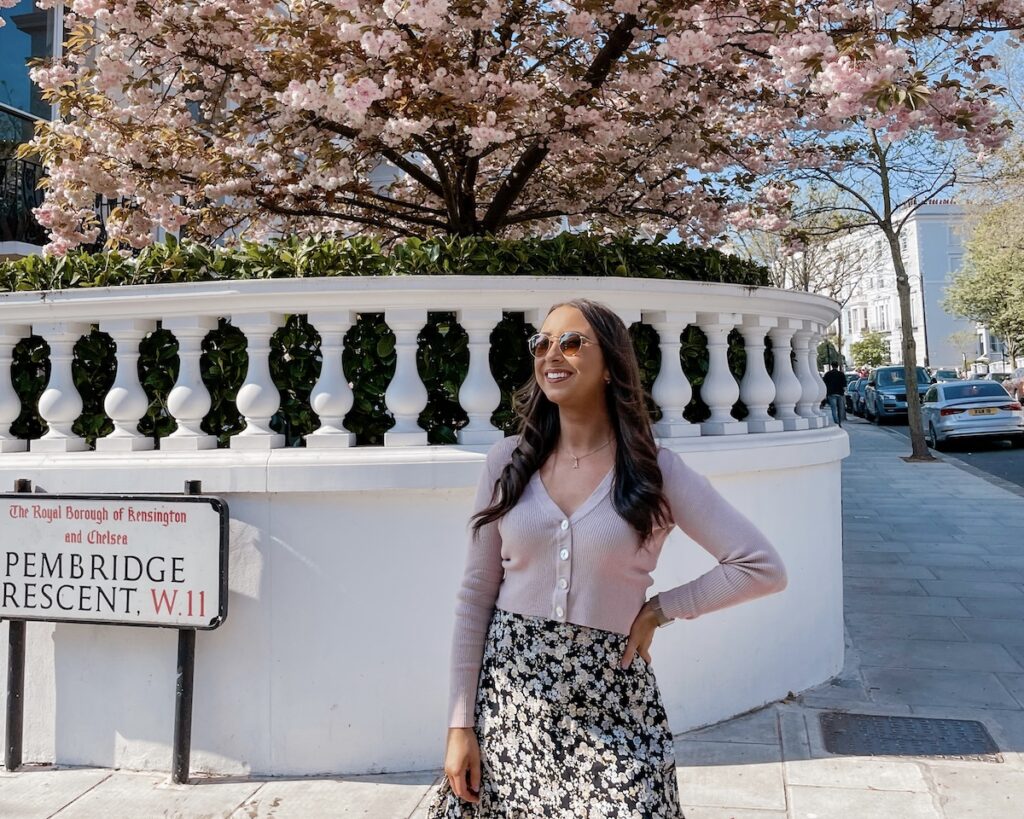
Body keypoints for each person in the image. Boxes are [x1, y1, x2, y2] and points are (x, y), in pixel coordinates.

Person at [427, 298, 789, 817]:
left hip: (613, 703)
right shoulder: (507, 461)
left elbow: (760, 567)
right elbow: (474, 597)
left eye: (572, 342)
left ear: (609, 366)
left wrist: (662, 608)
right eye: (543, 343)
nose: (553, 353)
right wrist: (460, 725)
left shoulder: (654, 471)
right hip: (509, 704)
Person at [823, 361, 847, 426]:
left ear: (831, 366)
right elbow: (844, 385)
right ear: (837, 366)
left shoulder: (827, 374)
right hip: (840, 393)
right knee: (840, 409)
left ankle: (836, 421)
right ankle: (839, 422)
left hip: (831, 393)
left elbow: (824, 384)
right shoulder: (841, 374)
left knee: (834, 409)